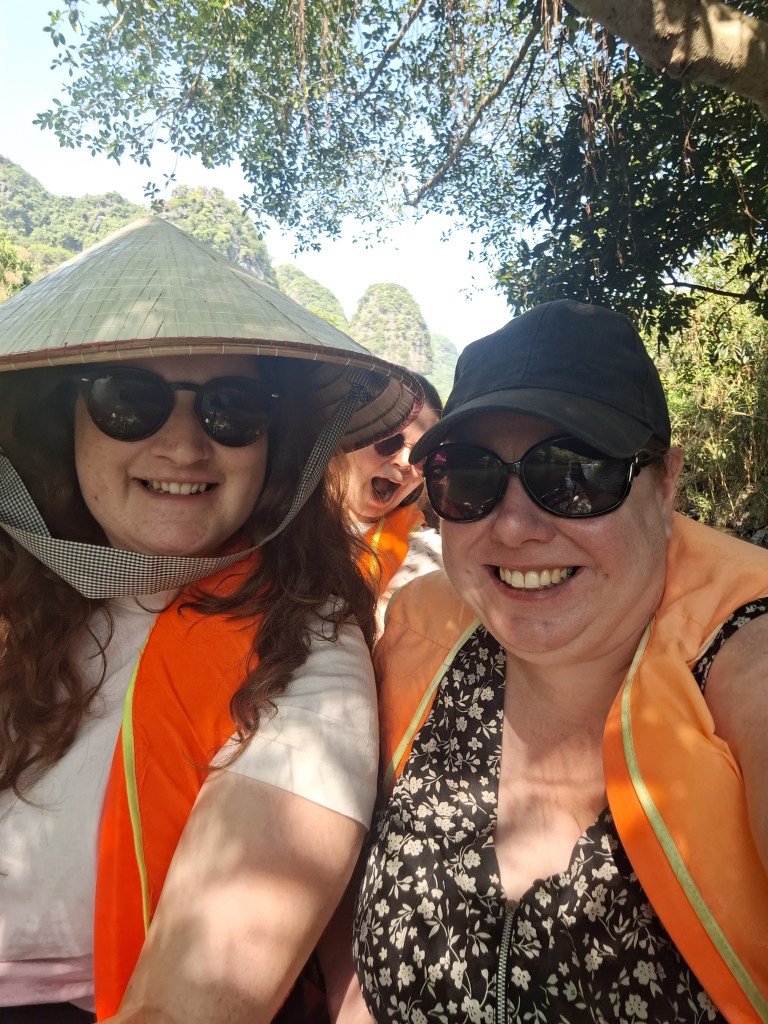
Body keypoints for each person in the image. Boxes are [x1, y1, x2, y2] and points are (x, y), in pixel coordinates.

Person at [0, 216, 422, 1024]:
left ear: (277, 443)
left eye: (234, 409)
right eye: (130, 402)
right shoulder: (21, 584)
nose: (186, 448)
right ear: (66, 421)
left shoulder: (303, 642)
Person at [343, 300, 768, 1022]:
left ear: (666, 482)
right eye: (469, 476)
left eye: (576, 472)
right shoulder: (421, 641)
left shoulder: (742, 661)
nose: (513, 525)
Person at [345, 373, 443, 625]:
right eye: (390, 440)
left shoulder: (425, 553)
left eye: (422, 454)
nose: (405, 462)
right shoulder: (274, 513)